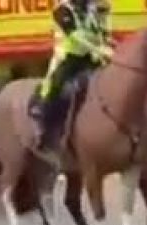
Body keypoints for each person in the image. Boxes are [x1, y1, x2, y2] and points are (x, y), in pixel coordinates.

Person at [32, 0, 115, 150]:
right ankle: (42, 124)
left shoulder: (91, 9)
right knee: (55, 85)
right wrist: (98, 50)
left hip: (88, 57)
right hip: (68, 57)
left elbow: (100, 32)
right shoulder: (62, 10)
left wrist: (110, 44)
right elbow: (75, 36)